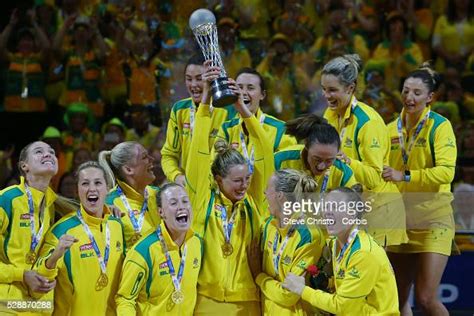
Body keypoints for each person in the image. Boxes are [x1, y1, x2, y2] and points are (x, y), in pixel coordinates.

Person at [187, 62, 272, 315]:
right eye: (237, 181)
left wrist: (241, 108)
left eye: (247, 179)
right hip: (206, 301)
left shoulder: (254, 202)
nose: (245, 185)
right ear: (218, 178)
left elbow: (265, 150)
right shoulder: (201, 200)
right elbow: (199, 149)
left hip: (248, 302)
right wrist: (205, 101)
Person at [383, 64, 457, 315]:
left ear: (430, 97)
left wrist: (403, 176)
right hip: (400, 221)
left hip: (433, 219)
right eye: (405, 91)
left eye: (416, 93)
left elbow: (446, 173)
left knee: (425, 298)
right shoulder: (389, 129)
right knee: (397, 297)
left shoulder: (440, 126)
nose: (409, 98)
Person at [321, 54, 407, 247]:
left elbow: (374, 178)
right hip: (350, 208)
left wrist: (347, 161)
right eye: (324, 90)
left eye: (332, 90)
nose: (327, 96)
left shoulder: (369, 123)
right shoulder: (330, 114)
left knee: (371, 274)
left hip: (379, 210)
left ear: (350, 88)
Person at [282, 187, 399, 315]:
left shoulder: (363, 253)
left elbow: (342, 306)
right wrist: (329, 282)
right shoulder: (335, 242)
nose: (328, 212)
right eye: (326, 206)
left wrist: (302, 289)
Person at [34, 161, 124, 315]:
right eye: (85, 183)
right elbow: (38, 281)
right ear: (77, 191)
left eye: (97, 183)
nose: (91, 189)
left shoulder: (116, 225)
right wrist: (55, 256)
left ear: (107, 189)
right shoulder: (62, 230)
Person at [116, 183, 203, 315]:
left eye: (185, 201)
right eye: (173, 203)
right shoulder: (143, 251)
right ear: (161, 212)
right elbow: (125, 300)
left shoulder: (197, 243)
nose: (181, 207)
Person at [247, 169, 325, 315]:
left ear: (279, 196)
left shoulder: (309, 235)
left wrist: (258, 275)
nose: (264, 195)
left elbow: (289, 295)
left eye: (267, 190)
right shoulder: (269, 225)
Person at [161, 54, 237, 187]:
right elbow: (168, 155)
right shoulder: (179, 110)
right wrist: (177, 177)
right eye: (188, 79)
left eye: (199, 79)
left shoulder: (228, 110)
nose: (193, 85)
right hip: (187, 186)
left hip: (218, 187)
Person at [0, 141, 59, 312]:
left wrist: (48, 277)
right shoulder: (6, 200)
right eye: (39, 151)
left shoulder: (50, 204)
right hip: (7, 304)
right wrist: (22, 275)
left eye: (52, 152)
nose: (48, 154)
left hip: (38, 305)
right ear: (24, 166)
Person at [218, 68, 296, 158]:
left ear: (262, 95)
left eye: (250, 88)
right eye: (239, 87)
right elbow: (215, 166)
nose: (243, 93)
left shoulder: (281, 130)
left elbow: (287, 167)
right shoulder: (226, 129)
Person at [99, 142, 161, 250]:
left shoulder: (160, 195)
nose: (152, 159)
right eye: (144, 157)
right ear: (128, 169)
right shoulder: (109, 204)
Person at [274, 114, 357, 192]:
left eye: (329, 161)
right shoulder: (280, 160)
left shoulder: (343, 173)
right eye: (317, 159)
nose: (321, 166)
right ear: (306, 146)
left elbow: (355, 204)